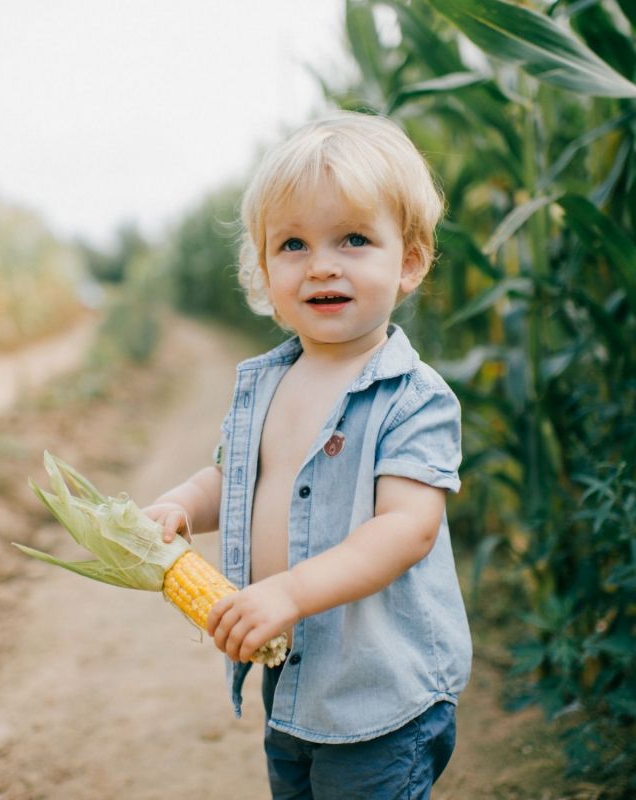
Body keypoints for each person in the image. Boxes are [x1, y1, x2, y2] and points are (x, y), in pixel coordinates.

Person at [143, 111, 472, 799]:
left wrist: (289, 592)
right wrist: (179, 503)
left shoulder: (413, 399)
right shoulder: (267, 382)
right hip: (293, 679)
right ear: (264, 269)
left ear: (408, 261)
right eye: (293, 244)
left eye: (354, 239)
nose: (322, 263)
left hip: (378, 695)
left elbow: (406, 529)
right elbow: (233, 476)